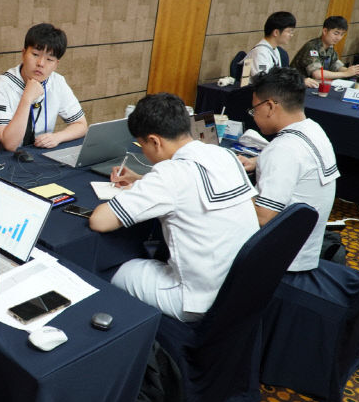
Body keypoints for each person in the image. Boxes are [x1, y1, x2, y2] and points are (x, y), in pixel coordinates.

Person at [90, 93, 258, 321]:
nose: (144, 152)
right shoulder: (224, 155)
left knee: (109, 267)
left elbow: (99, 221)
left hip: (194, 300)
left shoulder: (170, 174)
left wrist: (139, 189)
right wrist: (141, 181)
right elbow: (193, 190)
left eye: (142, 145)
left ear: (155, 141)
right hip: (240, 289)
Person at [237, 67, 339, 271]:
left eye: (254, 109)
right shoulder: (314, 129)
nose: (253, 115)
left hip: (280, 262)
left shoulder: (284, 149)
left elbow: (263, 217)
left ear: (270, 106)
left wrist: (229, 182)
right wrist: (259, 160)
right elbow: (301, 163)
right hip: (306, 249)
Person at [0, 23, 88, 151]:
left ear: (56, 64)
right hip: (5, 159)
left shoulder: (57, 82)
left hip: (41, 154)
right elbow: (10, 144)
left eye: (49, 59)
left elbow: (81, 125)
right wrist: (27, 99)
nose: (41, 63)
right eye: (35, 55)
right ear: (23, 54)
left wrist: (57, 137)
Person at [244, 11, 318, 88]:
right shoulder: (260, 52)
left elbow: (277, 76)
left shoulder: (275, 49)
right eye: (289, 31)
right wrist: (297, 82)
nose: (291, 35)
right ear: (276, 32)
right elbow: (264, 80)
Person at [290, 16, 359, 81]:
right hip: (295, 86)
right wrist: (345, 74)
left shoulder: (330, 48)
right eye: (336, 33)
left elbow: (337, 67)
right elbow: (318, 74)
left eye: (342, 34)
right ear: (325, 31)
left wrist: (353, 71)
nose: (339, 38)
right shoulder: (312, 47)